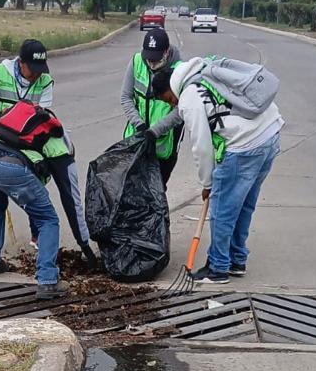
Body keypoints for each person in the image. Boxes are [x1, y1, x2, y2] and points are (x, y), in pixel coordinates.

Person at [0, 39, 97, 280]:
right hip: (11, 161)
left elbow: (43, 115)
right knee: (48, 217)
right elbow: (70, 195)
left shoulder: (45, 81)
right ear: (21, 63)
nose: (37, 76)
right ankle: (48, 279)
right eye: (32, 69)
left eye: (41, 70)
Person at [151, 58, 283, 284]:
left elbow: (201, 147)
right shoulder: (205, 69)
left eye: (170, 100)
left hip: (245, 147)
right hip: (270, 134)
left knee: (222, 209)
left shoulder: (189, 96)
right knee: (243, 205)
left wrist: (208, 184)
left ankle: (218, 267)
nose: (173, 105)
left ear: (172, 89)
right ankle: (236, 260)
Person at [120, 27, 183, 185]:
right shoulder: (136, 62)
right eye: (149, 59)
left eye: (155, 59)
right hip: (137, 139)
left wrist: (155, 131)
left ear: (166, 51)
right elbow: (125, 97)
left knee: (157, 190)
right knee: (131, 188)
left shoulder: (179, 71)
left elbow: (180, 110)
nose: (151, 63)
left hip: (163, 144)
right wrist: (139, 125)